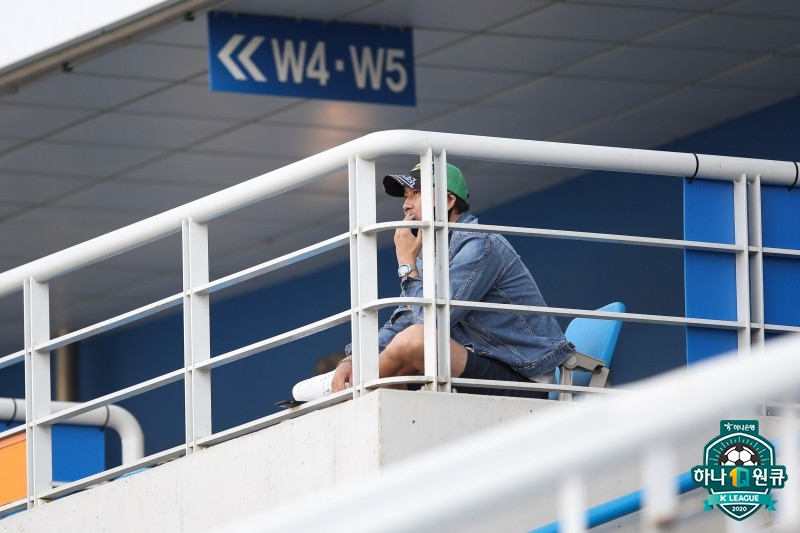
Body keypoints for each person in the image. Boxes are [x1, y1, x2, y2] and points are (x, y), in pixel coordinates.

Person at [331, 162, 576, 399]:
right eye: (405, 196)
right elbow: (405, 319)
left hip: (524, 377)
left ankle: (347, 395)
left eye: (416, 193)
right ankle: (350, 391)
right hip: (478, 367)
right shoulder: (429, 253)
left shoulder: (478, 242)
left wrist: (406, 265)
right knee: (401, 355)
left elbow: (432, 323)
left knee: (416, 341)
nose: (406, 205)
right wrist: (353, 359)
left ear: (448, 201)